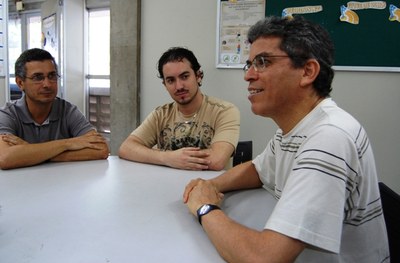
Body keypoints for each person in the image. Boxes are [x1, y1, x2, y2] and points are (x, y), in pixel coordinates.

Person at [183, 16, 390, 262]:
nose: (248, 75)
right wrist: (212, 186)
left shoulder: (330, 137)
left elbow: (265, 258)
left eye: (262, 62)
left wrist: (205, 208)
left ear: (307, 71)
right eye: (248, 64)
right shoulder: (294, 128)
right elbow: (258, 170)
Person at [119, 47, 240, 171]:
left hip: (209, 187)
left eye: (184, 77)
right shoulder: (160, 114)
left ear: (198, 76)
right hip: (166, 186)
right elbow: (126, 148)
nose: (179, 86)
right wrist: (167, 157)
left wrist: (174, 158)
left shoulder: (224, 111)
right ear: (165, 85)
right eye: (171, 80)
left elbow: (216, 161)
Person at [0, 48, 109, 170]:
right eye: (38, 77)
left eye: (52, 76)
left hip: (61, 185)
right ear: (20, 83)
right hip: (18, 186)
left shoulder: (67, 111)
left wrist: (30, 150)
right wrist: (67, 144)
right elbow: (5, 158)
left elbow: (101, 149)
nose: (47, 84)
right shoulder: (8, 114)